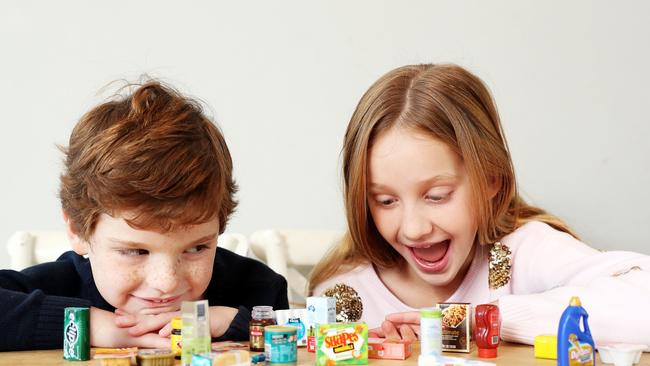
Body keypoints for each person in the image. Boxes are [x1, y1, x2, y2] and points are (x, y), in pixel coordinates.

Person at [310, 64, 650, 346]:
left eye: (437, 195)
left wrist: (480, 321)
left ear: (491, 179)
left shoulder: (521, 253)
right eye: (385, 201)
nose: (413, 227)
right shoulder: (346, 296)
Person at [0, 81, 289, 351]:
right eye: (135, 251)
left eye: (195, 248)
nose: (166, 282)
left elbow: (301, 340)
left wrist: (237, 323)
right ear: (78, 231)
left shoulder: (258, 290)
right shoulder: (60, 283)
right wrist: (91, 325)